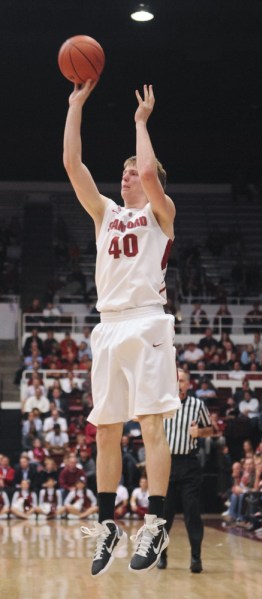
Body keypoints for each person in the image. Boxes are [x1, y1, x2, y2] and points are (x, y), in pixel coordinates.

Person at [63, 80, 180, 576]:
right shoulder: (105, 214)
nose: (127, 178)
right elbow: (73, 166)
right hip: (108, 326)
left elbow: (151, 169)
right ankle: (107, 522)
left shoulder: (162, 214)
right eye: (125, 174)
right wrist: (74, 107)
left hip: (147, 321)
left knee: (151, 425)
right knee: (105, 431)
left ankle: (155, 521)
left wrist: (140, 124)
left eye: (132, 174)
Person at [157, 369, 212, 573]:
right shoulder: (162, 405)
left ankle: (196, 557)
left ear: (188, 384)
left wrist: (201, 431)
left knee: (192, 513)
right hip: (166, 464)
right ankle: (161, 554)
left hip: (189, 464)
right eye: (175, 380)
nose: (178, 384)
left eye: (181, 380)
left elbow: (211, 429)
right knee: (164, 514)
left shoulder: (198, 405)